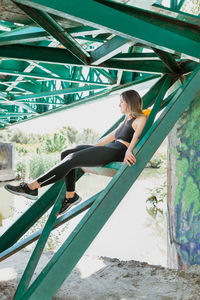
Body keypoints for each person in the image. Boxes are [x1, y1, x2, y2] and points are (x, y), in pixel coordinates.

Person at [4, 90, 147, 215]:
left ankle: (32, 187)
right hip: (110, 148)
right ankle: (71, 196)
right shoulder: (125, 120)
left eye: (121, 102)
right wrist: (90, 150)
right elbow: (107, 138)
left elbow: (136, 136)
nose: (119, 105)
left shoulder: (140, 118)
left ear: (128, 103)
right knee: (66, 153)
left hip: (118, 152)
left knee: (72, 159)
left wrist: (129, 151)